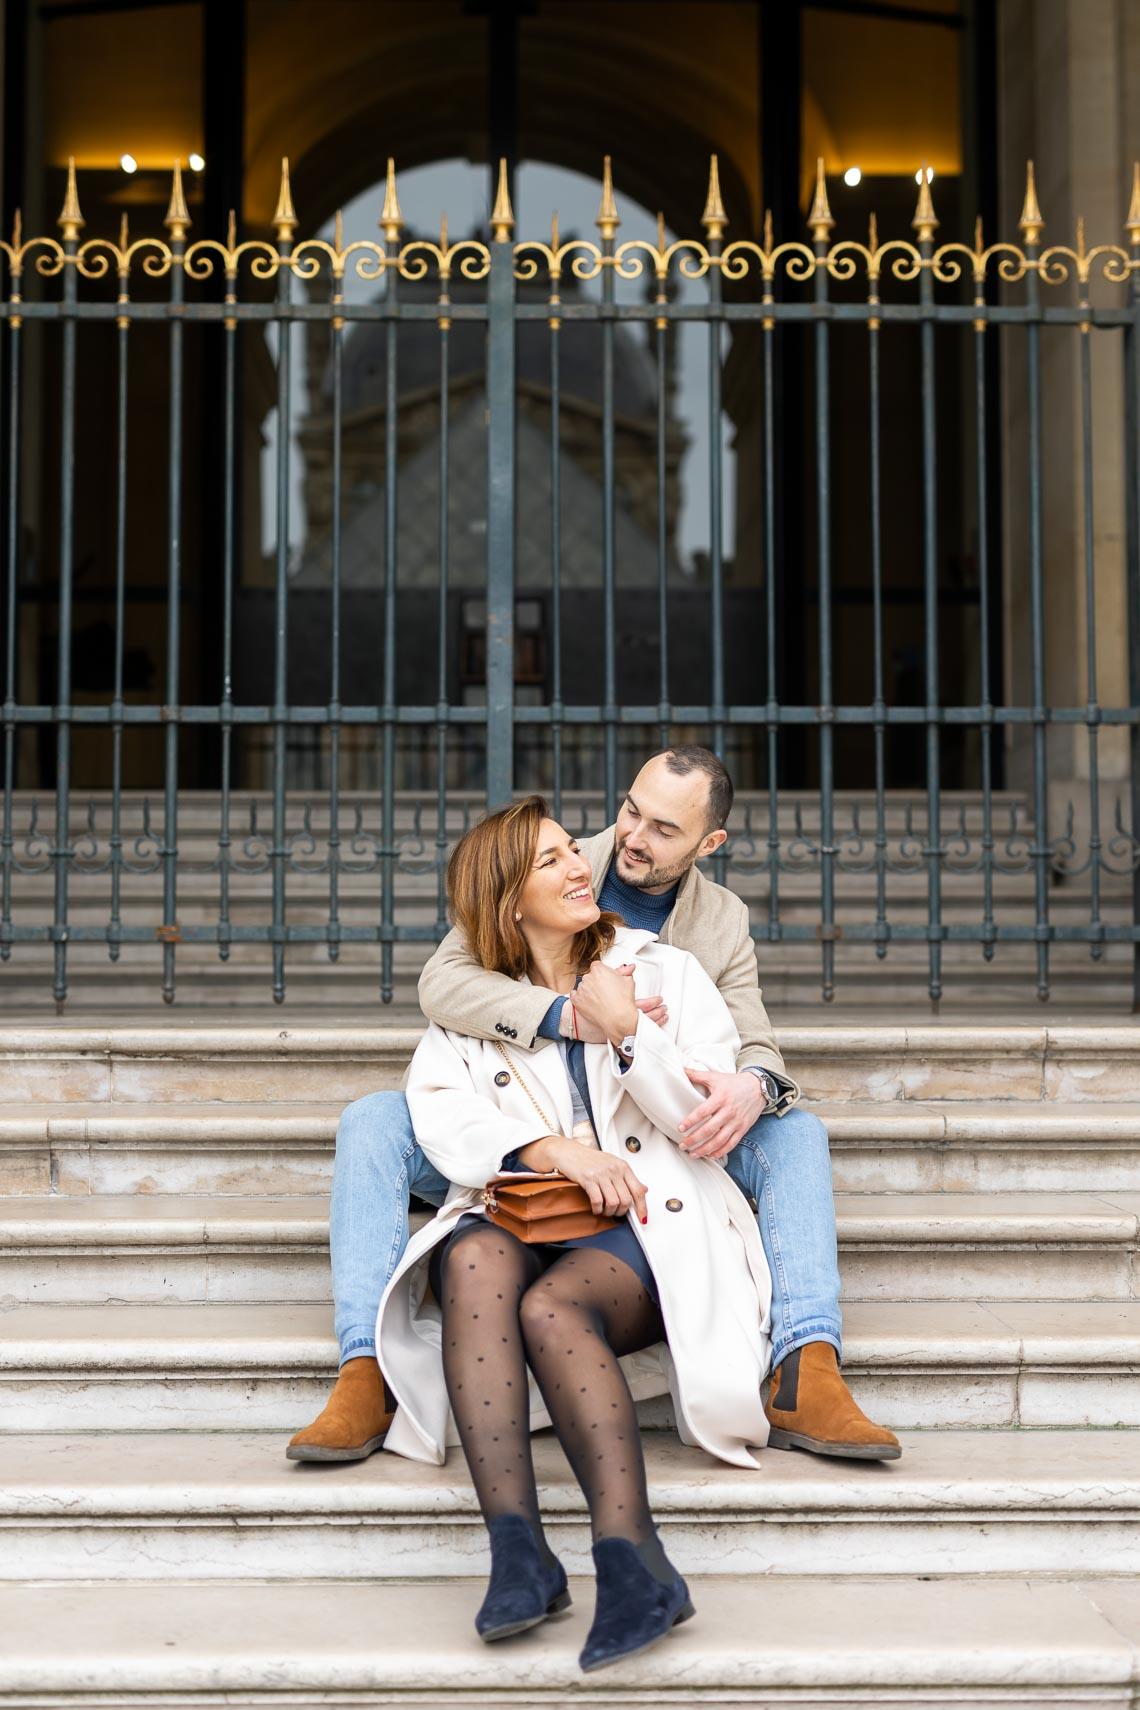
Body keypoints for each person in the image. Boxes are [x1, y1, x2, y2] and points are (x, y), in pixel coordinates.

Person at [288, 746, 900, 1465]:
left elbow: (749, 1034)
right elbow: (445, 985)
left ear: (709, 844)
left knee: (794, 1135)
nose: (634, 837)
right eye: (630, 811)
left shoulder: (718, 921)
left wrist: (752, 1084)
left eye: (664, 830)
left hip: (647, 1130)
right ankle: (367, 1371)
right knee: (373, 1120)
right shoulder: (552, 863)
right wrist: (571, 1016)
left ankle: (807, 1367)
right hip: (524, 1120)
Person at [376, 795, 772, 1669]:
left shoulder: (662, 973)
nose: (579, 865)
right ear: (510, 898)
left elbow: (703, 1119)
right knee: (474, 1251)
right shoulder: (480, 1006)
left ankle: (633, 1559)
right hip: (531, 1212)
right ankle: (518, 1553)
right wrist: (551, 1149)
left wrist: (632, 1034)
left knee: (553, 1309)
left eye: (571, 851)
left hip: (644, 1227)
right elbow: (439, 1116)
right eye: (551, 860)